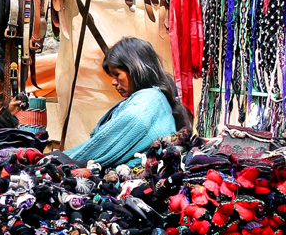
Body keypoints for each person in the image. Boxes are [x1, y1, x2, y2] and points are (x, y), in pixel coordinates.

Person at [63, 37, 192, 167]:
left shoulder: (145, 105)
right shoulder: (151, 98)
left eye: (117, 74)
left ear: (135, 69)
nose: (113, 82)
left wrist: (60, 160)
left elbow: (98, 149)